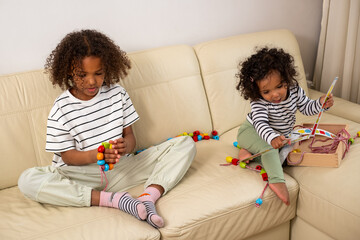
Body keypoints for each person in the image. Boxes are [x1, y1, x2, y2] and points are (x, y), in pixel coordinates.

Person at [18, 29, 196, 228]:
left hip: (122, 170)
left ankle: (148, 197)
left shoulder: (117, 94)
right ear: (69, 71)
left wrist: (125, 146)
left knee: (184, 143)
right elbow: (68, 157)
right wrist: (98, 155)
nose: (92, 81)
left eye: (98, 73)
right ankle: (113, 200)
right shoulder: (61, 107)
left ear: (107, 69)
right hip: (82, 176)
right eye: (82, 75)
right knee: (27, 179)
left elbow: (130, 138)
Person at [235, 47, 333, 205]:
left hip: (279, 136)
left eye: (279, 86)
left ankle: (249, 151)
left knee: (285, 154)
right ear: (257, 90)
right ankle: (276, 181)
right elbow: (260, 123)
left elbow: (307, 107)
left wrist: (321, 104)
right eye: (266, 91)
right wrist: (272, 137)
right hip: (251, 131)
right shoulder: (259, 101)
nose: (275, 94)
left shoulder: (295, 91)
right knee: (270, 149)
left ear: (287, 79)